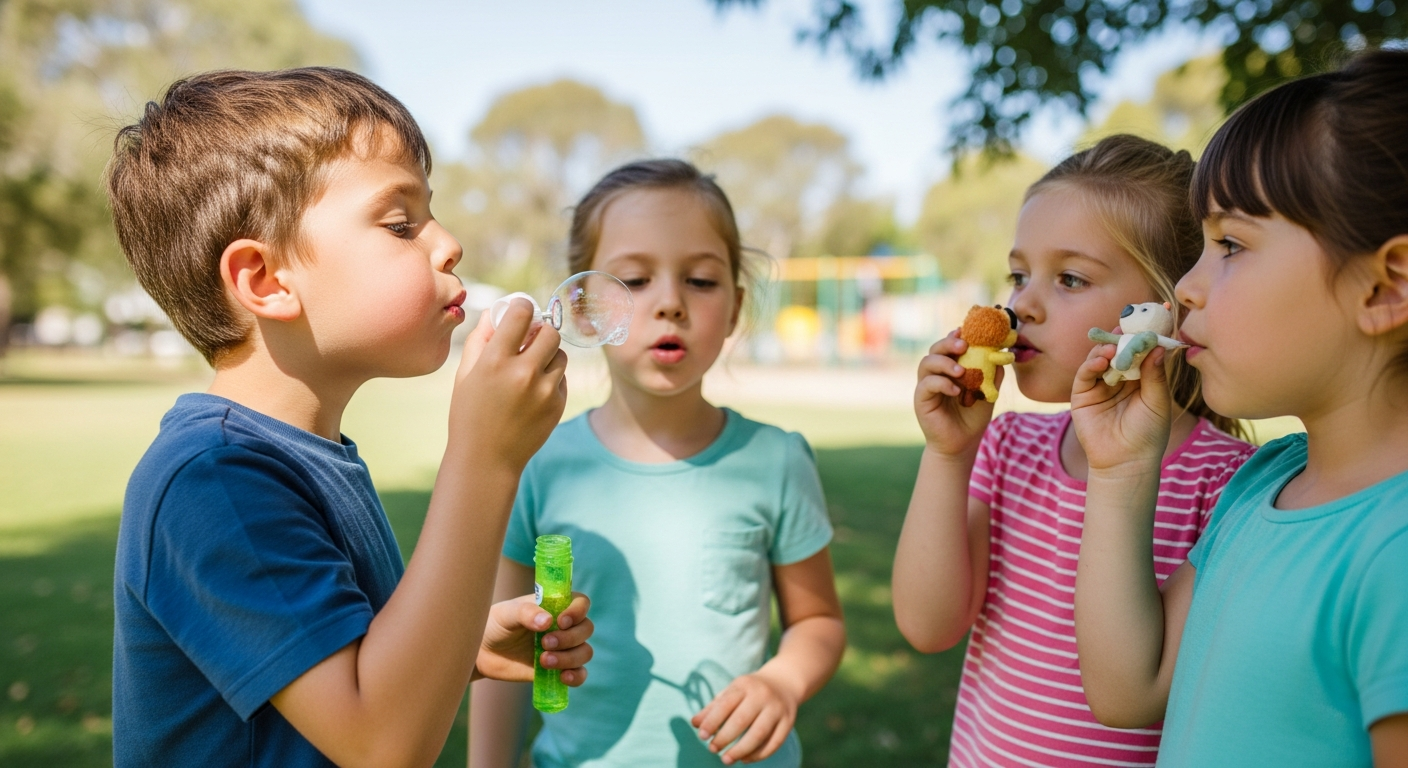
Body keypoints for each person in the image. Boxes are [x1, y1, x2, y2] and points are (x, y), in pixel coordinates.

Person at [108, 68, 594, 768]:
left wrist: (463, 645)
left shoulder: (313, 455)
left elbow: (346, 681)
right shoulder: (214, 479)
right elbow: (382, 744)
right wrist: (486, 459)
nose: (448, 242)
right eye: (401, 223)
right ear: (266, 280)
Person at [1072, 49, 1408, 766]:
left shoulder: (1395, 549)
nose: (1184, 289)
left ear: (1385, 289)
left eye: (1229, 244)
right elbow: (1128, 691)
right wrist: (1123, 469)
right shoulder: (1262, 484)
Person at [469, 159, 845, 767]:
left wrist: (783, 682)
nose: (670, 302)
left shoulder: (775, 460)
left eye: (700, 280)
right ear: (584, 308)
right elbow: (501, 652)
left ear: (735, 307)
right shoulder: (534, 462)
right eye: (635, 281)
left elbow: (819, 620)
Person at [892, 135, 1255, 766]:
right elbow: (929, 626)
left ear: (1165, 307)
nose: (1019, 304)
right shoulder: (1006, 447)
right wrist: (949, 455)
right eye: (1018, 274)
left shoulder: (1227, 484)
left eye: (1069, 278)